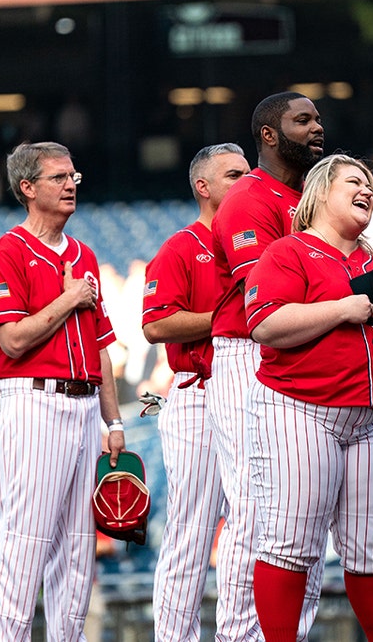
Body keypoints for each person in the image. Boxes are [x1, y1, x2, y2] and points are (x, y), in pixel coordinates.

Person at [244, 154, 373, 640]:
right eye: (353, 182)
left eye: (367, 183)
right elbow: (265, 325)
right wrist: (340, 308)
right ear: (318, 194)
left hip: (372, 419)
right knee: (290, 544)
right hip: (301, 410)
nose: (365, 189)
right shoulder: (287, 252)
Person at [0, 141, 125, 640]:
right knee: (23, 541)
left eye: (73, 177)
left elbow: (103, 345)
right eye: (58, 178)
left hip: (86, 406)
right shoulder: (7, 251)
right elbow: (12, 340)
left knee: (79, 547)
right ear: (27, 188)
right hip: (34, 400)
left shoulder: (83, 253)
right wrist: (66, 300)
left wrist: (115, 422)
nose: (70, 185)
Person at [208, 91, 326, 640]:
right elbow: (274, 293)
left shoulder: (314, 196)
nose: (317, 127)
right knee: (257, 510)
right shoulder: (248, 199)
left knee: (303, 514)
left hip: (305, 351)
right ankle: (239, 634)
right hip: (249, 354)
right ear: (269, 135)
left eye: (318, 118)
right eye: (302, 120)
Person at [144, 143, 250, 641]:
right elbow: (157, 323)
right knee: (193, 532)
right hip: (200, 393)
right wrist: (226, 320)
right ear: (203, 187)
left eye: (248, 172)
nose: (246, 181)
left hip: (252, 393)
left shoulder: (261, 243)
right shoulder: (182, 247)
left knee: (250, 531)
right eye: (234, 174)